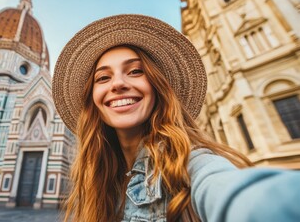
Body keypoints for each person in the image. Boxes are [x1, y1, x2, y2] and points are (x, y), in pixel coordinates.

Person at [52, 14, 300, 222]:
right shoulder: (98, 178)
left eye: (136, 71)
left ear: (158, 87)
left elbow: (238, 194)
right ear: (93, 100)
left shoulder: (191, 164)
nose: (117, 83)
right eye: (103, 77)